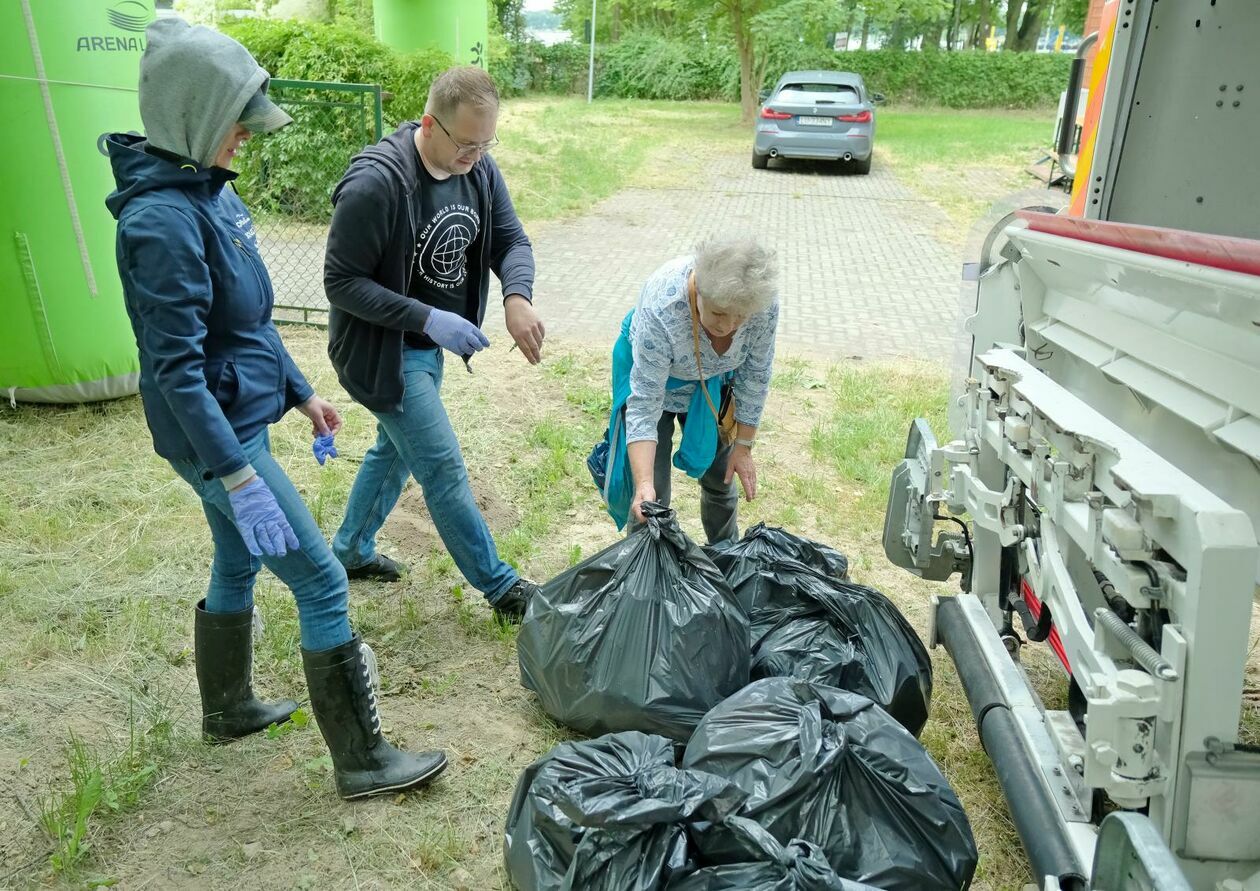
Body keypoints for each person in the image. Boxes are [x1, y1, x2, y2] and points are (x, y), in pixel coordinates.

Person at [106, 18, 446, 800]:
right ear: (192, 113)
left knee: (237, 559)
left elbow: (251, 319)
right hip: (214, 439)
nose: (247, 140)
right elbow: (177, 370)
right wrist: (236, 474)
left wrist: (300, 392)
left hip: (239, 423)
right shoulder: (161, 221)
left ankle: (226, 707)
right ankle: (363, 761)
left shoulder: (207, 193)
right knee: (322, 580)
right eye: (237, 123)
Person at [323, 66, 545, 620]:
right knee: (440, 466)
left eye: (487, 142)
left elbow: (511, 239)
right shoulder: (378, 183)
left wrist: (516, 295)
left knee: (395, 453)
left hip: (425, 345)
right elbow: (340, 282)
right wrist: (427, 318)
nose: (478, 155)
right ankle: (502, 589)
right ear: (430, 124)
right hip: (379, 351)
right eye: (468, 144)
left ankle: (349, 550)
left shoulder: (478, 171)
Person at [601, 236, 779, 543]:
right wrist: (643, 482)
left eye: (741, 317)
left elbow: (755, 375)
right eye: (720, 314)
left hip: (710, 386)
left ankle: (727, 556)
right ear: (698, 291)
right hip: (655, 381)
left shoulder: (761, 305)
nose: (731, 326)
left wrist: (744, 446)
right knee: (651, 500)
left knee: (722, 478)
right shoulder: (664, 304)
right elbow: (645, 403)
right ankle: (646, 575)